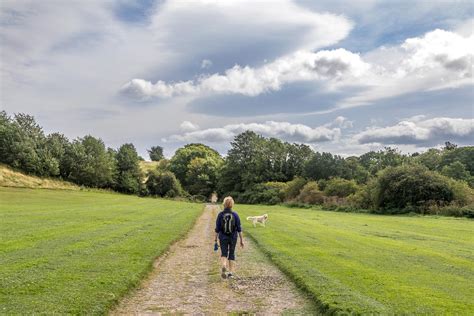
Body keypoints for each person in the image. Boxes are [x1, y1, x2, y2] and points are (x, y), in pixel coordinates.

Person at [214, 196, 244, 279]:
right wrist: (241, 240)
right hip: (233, 237)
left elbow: (217, 228)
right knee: (231, 253)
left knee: (224, 253)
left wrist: (215, 239)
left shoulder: (220, 214)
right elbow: (239, 229)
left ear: (224, 204)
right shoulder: (235, 215)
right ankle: (230, 273)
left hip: (223, 236)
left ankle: (224, 265)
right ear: (232, 205)